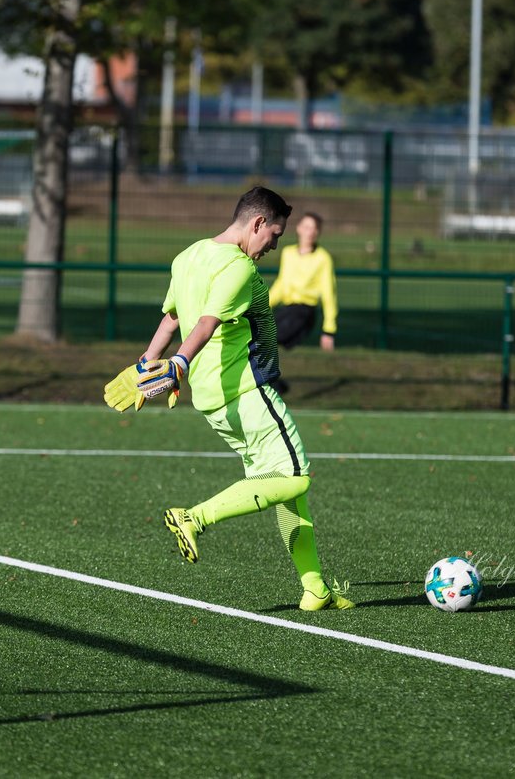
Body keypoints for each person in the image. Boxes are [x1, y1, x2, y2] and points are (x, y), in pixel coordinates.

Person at [103, 186, 353, 611]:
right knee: (297, 476)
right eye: (273, 235)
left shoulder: (188, 255)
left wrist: (146, 363)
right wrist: (178, 363)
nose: (273, 246)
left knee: (287, 492)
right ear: (257, 224)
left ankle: (316, 590)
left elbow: (172, 316)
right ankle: (194, 518)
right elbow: (203, 323)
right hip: (248, 392)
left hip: (212, 400)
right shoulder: (239, 269)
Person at [268, 212, 338, 354]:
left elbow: (328, 294)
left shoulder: (323, 258)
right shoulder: (288, 253)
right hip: (287, 309)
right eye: (306, 227)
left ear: (317, 232)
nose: (309, 232)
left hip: (304, 312)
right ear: (298, 228)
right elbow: (281, 284)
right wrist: (262, 306)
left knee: (268, 338)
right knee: (259, 334)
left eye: (313, 228)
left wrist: (329, 330)